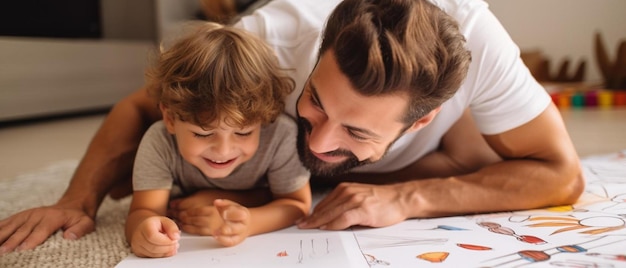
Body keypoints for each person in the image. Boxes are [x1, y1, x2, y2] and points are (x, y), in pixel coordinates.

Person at [0, 0, 584, 254]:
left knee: (482, 155)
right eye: (315, 103)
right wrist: (78, 200)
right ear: (317, 54)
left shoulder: (483, 46)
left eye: (357, 132)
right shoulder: (271, 38)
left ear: (424, 116)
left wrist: (410, 197)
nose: (322, 141)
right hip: (279, 168)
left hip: (426, 161)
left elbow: (561, 175)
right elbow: (140, 109)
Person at [124, 22, 310, 258]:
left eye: (243, 133)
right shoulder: (159, 141)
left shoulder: (281, 135)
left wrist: (251, 222)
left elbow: (296, 204)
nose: (223, 151)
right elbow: (144, 210)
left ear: (264, 121)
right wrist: (143, 230)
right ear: (170, 118)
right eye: (203, 134)